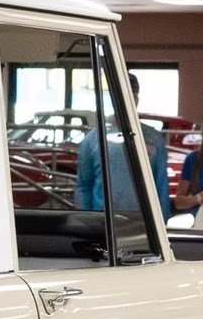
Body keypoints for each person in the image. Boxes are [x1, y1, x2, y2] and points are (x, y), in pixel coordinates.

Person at [74, 75, 172, 218]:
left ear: (137, 100)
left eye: (132, 97)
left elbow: (161, 186)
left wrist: (163, 225)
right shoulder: (94, 139)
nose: (126, 102)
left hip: (143, 220)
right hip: (103, 220)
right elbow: (84, 186)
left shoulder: (154, 139)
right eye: (121, 97)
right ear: (113, 100)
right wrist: (86, 221)